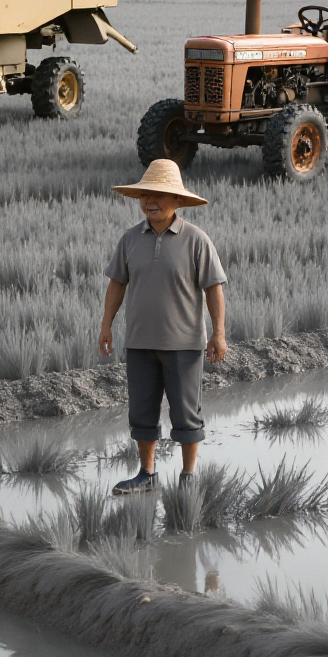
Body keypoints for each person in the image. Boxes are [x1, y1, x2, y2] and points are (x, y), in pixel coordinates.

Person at [98, 158, 230, 494]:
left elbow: (213, 288)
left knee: (187, 415)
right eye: (145, 196)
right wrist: (106, 326)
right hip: (140, 342)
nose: (150, 202)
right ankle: (147, 474)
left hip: (184, 345)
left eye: (158, 195)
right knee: (141, 412)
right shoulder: (130, 240)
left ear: (178, 200)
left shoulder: (197, 240)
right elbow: (117, 284)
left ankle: (188, 477)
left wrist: (218, 333)